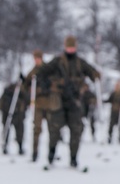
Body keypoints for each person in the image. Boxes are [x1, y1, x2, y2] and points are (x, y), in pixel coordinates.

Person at [40, 35, 101, 168]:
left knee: (76, 129)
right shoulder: (57, 61)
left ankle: (73, 158)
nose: (71, 50)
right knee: (54, 129)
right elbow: (42, 72)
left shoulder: (80, 62)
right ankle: (51, 154)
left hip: (74, 100)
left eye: (73, 47)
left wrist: (95, 75)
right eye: (69, 47)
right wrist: (49, 85)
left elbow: (92, 72)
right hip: (58, 100)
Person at [23, 49, 51, 163]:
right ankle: (34, 153)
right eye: (35, 58)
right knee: (36, 129)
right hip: (38, 104)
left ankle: (51, 153)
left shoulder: (48, 69)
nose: (36, 60)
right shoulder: (33, 72)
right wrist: (24, 82)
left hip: (49, 104)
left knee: (52, 129)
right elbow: (27, 85)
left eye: (38, 58)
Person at [0, 78, 29, 156]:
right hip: (7, 112)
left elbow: (27, 101)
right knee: (7, 130)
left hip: (18, 113)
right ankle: (5, 145)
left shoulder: (22, 92)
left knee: (19, 131)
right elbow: (1, 104)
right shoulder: (7, 91)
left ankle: (20, 146)